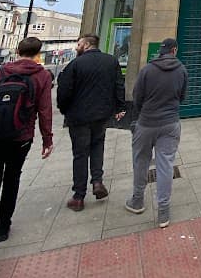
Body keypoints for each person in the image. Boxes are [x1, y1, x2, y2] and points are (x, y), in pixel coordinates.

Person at [57, 34, 126, 211]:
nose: (76, 47)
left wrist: (64, 110)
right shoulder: (111, 61)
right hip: (101, 115)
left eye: (79, 44)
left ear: (87, 45)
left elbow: (64, 91)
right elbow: (119, 85)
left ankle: (79, 196)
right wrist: (120, 108)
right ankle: (97, 181)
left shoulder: (75, 64)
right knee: (97, 147)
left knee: (80, 154)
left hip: (79, 117)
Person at [125, 38, 187, 228]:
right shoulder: (182, 70)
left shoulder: (147, 70)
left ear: (161, 51)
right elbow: (182, 96)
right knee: (166, 165)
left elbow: (137, 97)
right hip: (170, 123)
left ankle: (137, 200)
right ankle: (163, 212)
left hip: (146, 122)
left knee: (141, 161)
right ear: (174, 50)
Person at [0, 37, 53, 241]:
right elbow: (45, 110)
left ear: (18, 50)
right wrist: (47, 140)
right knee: (12, 178)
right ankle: (2, 227)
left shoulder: (2, 71)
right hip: (21, 136)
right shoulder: (42, 75)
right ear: (38, 53)